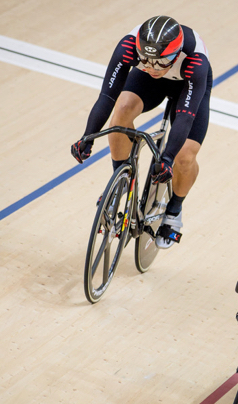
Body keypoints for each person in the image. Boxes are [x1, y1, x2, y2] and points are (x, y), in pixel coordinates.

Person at [71, 15, 212, 249]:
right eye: (146, 60)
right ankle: (121, 182)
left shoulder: (195, 61)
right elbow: (107, 96)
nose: (152, 67)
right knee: (121, 112)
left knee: (184, 155)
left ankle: (174, 211)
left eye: (160, 62)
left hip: (187, 85)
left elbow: (186, 117)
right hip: (149, 84)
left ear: (176, 55)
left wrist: (167, 158)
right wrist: (88, 135)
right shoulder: (129, 47)